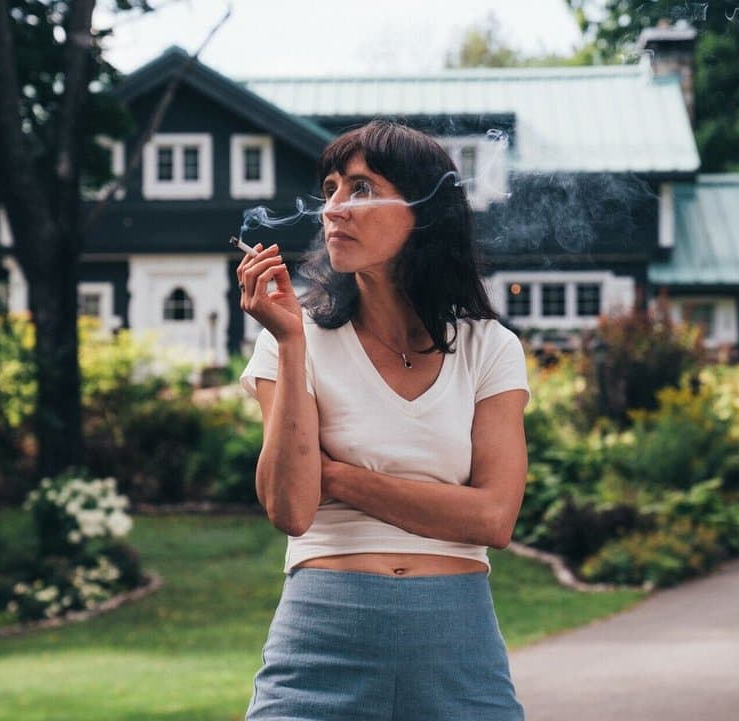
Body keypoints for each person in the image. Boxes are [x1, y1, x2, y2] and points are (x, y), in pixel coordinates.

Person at [236, 119, 530, 721]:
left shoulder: (489, 348)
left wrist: (337, 479)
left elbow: (493, 518)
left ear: (421, 211)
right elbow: (292, 509)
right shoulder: (293, 340)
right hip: (321, 636)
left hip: (457, 644)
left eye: (361, 189)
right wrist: (290, 340)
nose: (334, 210)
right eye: (330, 191)